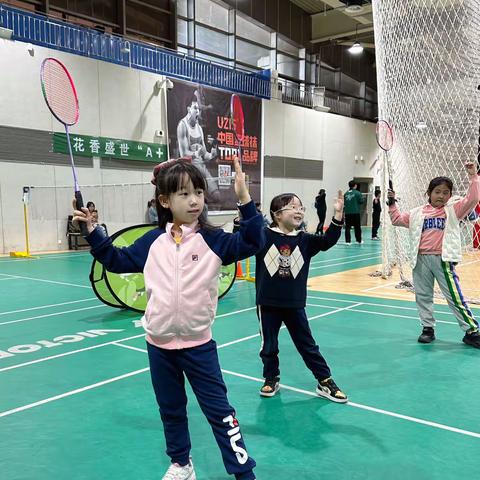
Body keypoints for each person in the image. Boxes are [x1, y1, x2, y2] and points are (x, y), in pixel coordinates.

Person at [73, 157, 263, 480]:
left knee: (221, 413)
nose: (194, 201)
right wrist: (92, 232)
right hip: (158, 345)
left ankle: (244, 472)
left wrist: (245, 200)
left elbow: (253, 241)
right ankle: (181, 464)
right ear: (165, 201)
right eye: (185, 194)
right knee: (171, 410)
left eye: (199, 193)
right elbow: (115, 260)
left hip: (199, 346)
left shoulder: (213, 240)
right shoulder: (151, 242)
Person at [254, 191, 348, 403]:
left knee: (307, 345)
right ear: (277, 214)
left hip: (294, 304)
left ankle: (325, 380)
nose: (299, 211)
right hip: (267, 303)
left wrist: (338, 214)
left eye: (301, 207)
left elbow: (329, 240)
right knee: (268, 345)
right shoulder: (263, 236)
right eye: (293, 207)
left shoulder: (305, 240)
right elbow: (244, 236)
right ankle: (271, 377)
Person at [388, 162, 480, 348]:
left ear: (450, 195)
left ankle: (471, 331)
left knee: (454, 297)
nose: (441, 195)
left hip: (443, 260)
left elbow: (473, 199)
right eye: (437, 191)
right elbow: (397, 220)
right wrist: (391, 204)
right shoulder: (416, 213)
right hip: (420, 260)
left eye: (446, 192)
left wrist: (473, 176)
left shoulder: (453, 210)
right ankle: (427, 328)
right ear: (429, 193)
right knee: (422, 296)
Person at [177, 90, 220, 204]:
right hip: (189, 169)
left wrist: (213, 152)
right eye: (195, 108)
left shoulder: (199, 128)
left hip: (201, 166)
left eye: (199, 109)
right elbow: (183, 154)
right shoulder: (182, 126)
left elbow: (205, 154)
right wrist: (196, 154)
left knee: (217, 196)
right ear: (188, 109)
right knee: (198, 200)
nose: (198, 112)